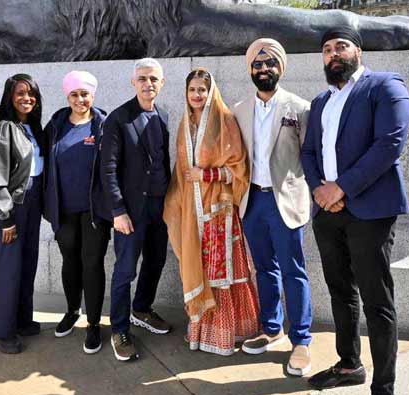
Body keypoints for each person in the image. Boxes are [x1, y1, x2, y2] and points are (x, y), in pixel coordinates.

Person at [302, 27, 409, 395]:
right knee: (339, 292)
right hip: (327, 212)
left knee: (376, 300)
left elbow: (389, 144)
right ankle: (349, 364)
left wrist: (341, 187)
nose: (334, 54)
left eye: (341, 46)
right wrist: (320, 189)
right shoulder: (320, 101)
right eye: (327, 49)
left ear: (358, 52)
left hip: (370, 212)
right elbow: (308, 153)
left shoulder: (384, 86)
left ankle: (384, 390)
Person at [163, 68, 260, 356]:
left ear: (210, 91)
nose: (197, 95)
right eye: (192, 90)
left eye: (202, 90)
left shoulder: (224, 120)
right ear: (186, 92)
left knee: (222, 275)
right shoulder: (184, 124)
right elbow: (181, 173)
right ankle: (202, 333)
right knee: (200, 270)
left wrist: (207, 176)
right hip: (193, 213)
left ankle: (229, 333)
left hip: (220, 213)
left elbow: (240, 169)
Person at [232, 38, 314, 376]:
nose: (263, 68)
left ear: (280, 67)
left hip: (286, 202)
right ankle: (271, 327)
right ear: (250, 69)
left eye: (270, 63)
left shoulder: (301, 107)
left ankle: (301, 340)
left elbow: (311, 157)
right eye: (257, 64)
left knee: (293, 271)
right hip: (252, 201)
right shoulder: (238, 110)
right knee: (264, 268)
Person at [100, 58, 172, 362]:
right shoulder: (119, 118)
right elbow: (108, 168)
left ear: (161, 83)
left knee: (155, 261)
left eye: (154, 79)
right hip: (130, 209)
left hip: (160, 206)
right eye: (142, 78)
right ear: (133, 83)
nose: (148, 84)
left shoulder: (164, 115)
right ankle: (119, 327)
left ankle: (141, 308)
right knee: (125, 269)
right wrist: (118, 210)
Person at [43, 71, 112, 354]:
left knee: (92, 263)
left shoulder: (103, 125)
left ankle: (94, 323)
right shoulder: (56, 125)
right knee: (70, 261)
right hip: (63, 210)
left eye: (85, 94)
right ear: (67, 96)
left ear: (92, 96)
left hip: (94, 212)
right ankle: (72, 311)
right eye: (74, 94)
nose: (80, 99)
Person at [0, 73, 45, 354]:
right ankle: (1, 330)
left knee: (27, 263)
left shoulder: (31, 128)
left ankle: (21, 320)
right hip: (11, 206)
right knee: (8, 268)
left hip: (32, 202)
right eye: (20, 93)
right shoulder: (4, 128)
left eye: (31, 93)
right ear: (10, 97)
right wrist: (4, 217)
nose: (26, 98)